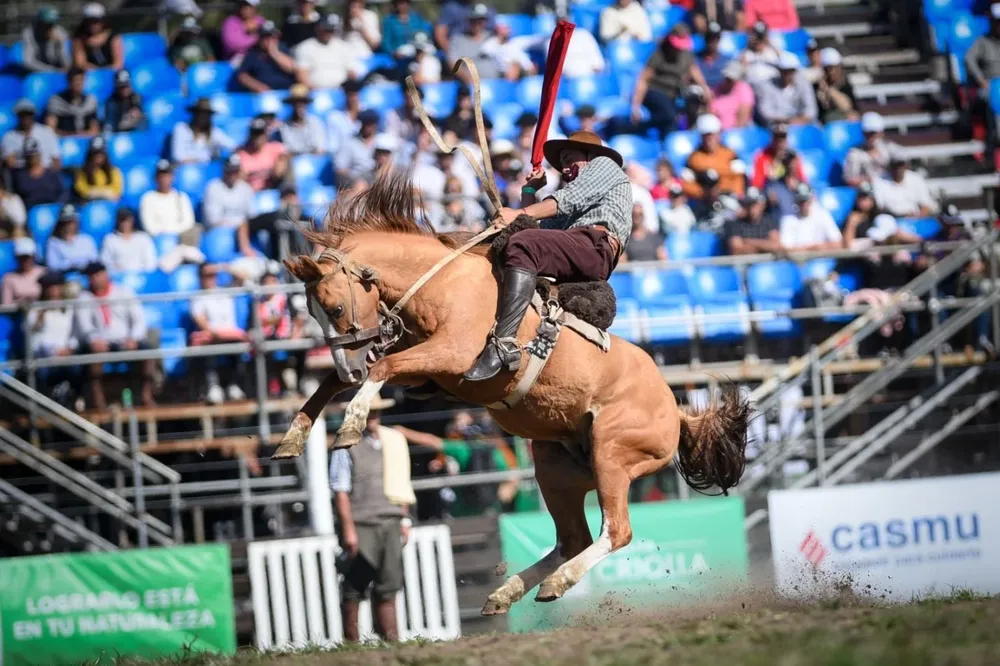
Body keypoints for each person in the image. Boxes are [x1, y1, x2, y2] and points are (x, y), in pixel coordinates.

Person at [464, 130, 631, 381]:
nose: (564, 170)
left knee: (523, 244)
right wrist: (529, 191)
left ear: (590, 156)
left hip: (596, 246)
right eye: (562, 164)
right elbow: (538, 230)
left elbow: (569, 200)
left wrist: (521, 212)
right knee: (507, 247)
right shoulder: (573, 200)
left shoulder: (603, 165)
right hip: (578, 245)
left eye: (569, 160)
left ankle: (505, 342)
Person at [328, 392, 414, 642]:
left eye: (376, 410)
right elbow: (341, 491)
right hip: (361, 521)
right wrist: (348, 529)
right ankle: (352, 642)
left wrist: (404, 519)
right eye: (368, 411)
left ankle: (391, 638)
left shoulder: (393, 441)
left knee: (390, 581)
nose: (373, 416)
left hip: (391, 518)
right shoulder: (346, 444)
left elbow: (402, 482)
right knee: (355, 583)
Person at [75, 261, 155, 409]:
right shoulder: (84, 297)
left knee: (148, 351)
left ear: (106, 274)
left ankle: (146, 396)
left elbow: (138, 319)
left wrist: (134, 339)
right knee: (92, 356)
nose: (95, 279)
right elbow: (84, 326)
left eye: (97, 274)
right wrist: (94, 340)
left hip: (125, 340)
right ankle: (99, 402)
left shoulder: (124, 292)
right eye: (91, 276)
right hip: (100, 343)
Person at [629, 24, 709, 139]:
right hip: (656, 90)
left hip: (675, 93)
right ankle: (663, 140)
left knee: (695, 101)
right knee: (670, 116)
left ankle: (691, 134)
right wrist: (636, 105)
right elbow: (643, 79)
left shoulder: (686, 54)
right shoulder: (659, 54)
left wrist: (704, 88)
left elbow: (694, 70)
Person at [188, 263, 250, 403]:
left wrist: (222, 267)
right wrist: (215, 333)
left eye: (213, 275)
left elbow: (244, 276)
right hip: (211, 335)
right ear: (200, 277)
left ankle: (234, 385)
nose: (211, 278)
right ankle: (212, 386)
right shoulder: (197, 297)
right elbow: (200, 320)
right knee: (210, 345)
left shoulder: (226, 290)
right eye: (207, 275)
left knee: (239, 344)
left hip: (230, 335)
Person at [680, 113, 746, 204]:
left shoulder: (730, 154)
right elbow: (687, 183)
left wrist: (730, 192)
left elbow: (739, 178)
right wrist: (703, 193)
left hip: (728, 198)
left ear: (719, 134)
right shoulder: (693, 158)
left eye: (712, 135)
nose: (710, 139)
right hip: (704, 200)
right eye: (706, 136)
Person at [204, 154, 257, 257]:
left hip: (245, 234)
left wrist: (242, 227)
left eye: (235, 171)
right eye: (230, 171)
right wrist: (239, 225)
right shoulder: (213, 188)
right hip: (220, 235)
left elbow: (253, 217)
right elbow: (213, 220)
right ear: (224, 171)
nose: (232, 174)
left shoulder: (246, 188)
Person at [294, 14, 357, 90]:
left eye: (331, 30)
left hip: (342, 91)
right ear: (317, 28)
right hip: (316, 92)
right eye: (326, 29)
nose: (328, 32)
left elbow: (352, 73)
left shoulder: (344, 47)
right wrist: (319, 91)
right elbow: (302, 76)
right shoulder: (304, 47)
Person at [756, 51, 818, 126]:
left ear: (795, 71)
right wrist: (787, 120)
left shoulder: (804, 83)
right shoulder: (767, 85)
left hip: (802, 124)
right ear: (779, 70)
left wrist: (799, 120)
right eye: (784, 71)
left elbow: (811, 110)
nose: (787, 74)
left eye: (790, 71)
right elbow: (765, 111)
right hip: (777, 125)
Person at [237, 21, 301, 92]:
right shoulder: (253, 53)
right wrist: (258, 87)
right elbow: (242, 76)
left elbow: (293, 69)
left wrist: (274, 53)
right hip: (264, 96)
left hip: (288, 93)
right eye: (265, 37)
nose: (269, 40)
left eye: (272, 37)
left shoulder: (285, 49)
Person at [139, 160, 198, 236]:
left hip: (180, 239)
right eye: (162, 176)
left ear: (172, 177)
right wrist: (166, 234)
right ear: (156, 178)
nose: (165, 179)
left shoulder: (181, 197)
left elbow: (189, 223)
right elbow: (149, 226)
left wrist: (172, 232)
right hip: (157, 239)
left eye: (167, 176)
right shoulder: (148, 198)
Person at [779, 182, 843, 251]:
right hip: (797, 261)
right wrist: (811, 249)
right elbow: (785, 248)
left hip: (821, 260)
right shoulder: (788, 219)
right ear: (796, 201)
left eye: (806, 200)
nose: (804, 204)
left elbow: (838, 243)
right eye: (801, 201)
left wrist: (816, 248)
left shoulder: (823, 215)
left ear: (812, 199)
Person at [842, 112, 899, 187]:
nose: (871, 137)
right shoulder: (854, 153)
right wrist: (872, 180)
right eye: (867, 133)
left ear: (881, 133)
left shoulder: (889, 148)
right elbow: (849, 179)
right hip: (868, 191)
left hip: (890, 188)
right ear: (863, 133)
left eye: (874, 133)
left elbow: (901, 165)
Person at [171, 98, 237, 164]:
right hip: (183, 170)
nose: (203, 117)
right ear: (194, 114)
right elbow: (177, 157)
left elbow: (233, 146)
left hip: (208, 171)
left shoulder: (214, 132)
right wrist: (202, 159)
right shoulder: (181, 129)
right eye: (200, 113)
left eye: (207, 114)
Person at [447, 4, 501, 82]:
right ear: (468, 20)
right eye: (474, 19)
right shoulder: (457, 40)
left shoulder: (493, 37)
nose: (477, 23)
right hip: (473, 87)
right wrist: (467, 79)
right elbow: (453, 64)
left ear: (486, 21)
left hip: (498, 85)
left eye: (481, 20)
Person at [3, 100, 61, 170]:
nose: (26, 117)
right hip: (21, 173)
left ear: (34, 115)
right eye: (22, 114)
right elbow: (9, 162)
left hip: (46, 172)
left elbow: (56, 160)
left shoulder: (47, 132)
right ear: (18, 115)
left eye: (29, 114)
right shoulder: (9, 136)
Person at [724, 186, 782, 254]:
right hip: (744, 263)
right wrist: (765, 246)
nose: (751, 207)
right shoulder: (735, 223)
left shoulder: (768, 221)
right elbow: (737, 249)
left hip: (767, 263)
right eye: (748, 203)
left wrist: (748, 241)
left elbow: (776, 246)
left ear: (762, 205)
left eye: (755, 203)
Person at [873, 158, 940, 218]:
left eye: (900, 166)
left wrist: (919, 215)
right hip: (892, 219)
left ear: (906, 166)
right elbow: (880, 207)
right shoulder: (879, 181)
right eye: (895, 167)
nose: (898, 170)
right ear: (890, 167)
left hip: (915, 218)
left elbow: (926, 203)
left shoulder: (916, 178)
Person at [236, 117, 289, 191]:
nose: (258, 137)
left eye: (260, 133)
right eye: (255, 134)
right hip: (250, 193)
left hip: (272, 190)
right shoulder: (241, 153)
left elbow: (279, 172)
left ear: (266, 134)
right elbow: (240, 178)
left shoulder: (276, 148)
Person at [45, 66, 100, 137]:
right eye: (75, 80)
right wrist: (71, 136)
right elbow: (50, 130)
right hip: (62, 141)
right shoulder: (56, 101)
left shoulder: (90, 101)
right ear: (69, 81)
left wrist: (81, 136)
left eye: (81, 80)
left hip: (85, 141)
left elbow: (94, 130)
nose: (78, 84)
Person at [12, 139, 65, 210]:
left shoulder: (52, 174)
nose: (33, 157)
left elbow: (62, 193)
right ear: (25, 156)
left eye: (35, 153)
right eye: (30, 155)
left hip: (52, 211)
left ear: (40, 154)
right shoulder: (20, 176)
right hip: (30, 212)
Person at [99, 207, 157, 272]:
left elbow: (150, 263)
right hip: (118, 277)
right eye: (122, 220)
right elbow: (105, 262)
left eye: (128, 220)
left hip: (141, 277)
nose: (125, 223)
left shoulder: (144, 238)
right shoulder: (110, 239)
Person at [481, 17, 537, 82]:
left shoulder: (515, 44)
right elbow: (485, 55)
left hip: (521, 75)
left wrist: (528, 68)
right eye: (504, 29)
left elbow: (528, 66)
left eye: (507, 28)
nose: (507, 31)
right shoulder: (490, 44)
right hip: (501, 76)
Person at [46, 204, 99, 272]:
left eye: (72, 221)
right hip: (64, 277)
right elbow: (53, 266)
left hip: (86, 275)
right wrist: (72, 264)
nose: (70, 225)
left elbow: (94, 260)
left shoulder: (87, 239)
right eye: (66, 222)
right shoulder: (53, 242)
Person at [750, 122, 804, 189]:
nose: (780, 143)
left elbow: (802, 180)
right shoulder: (762, 156)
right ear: (772, 139)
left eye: (782, 139)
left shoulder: (793, 157)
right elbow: (757, 184)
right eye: (777, 139)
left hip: (790, 193)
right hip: (769, 192)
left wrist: (793, 177)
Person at [72, 3, 124, 70]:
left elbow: (118, 63)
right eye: (89, 21)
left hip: (111, 74)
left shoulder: (114, 38)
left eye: (96, 21)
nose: (93, 24)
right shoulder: (79, 39)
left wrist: (104, 72)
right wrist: (96, 71)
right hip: (90, 76)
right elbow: (80, 63)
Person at [21, 7, 72, 73]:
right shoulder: (29, 33)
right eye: (46, 24)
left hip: (58, 71)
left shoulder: (61, 33)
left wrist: (59, 46)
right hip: (38, 73)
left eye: (52, 24)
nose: (49, 27)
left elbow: (67, 64)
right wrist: (52, 70)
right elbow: (28, 62)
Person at [337, 109, 381, 185]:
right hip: (356, 180)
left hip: (377, 179)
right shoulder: (350, 143)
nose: (368, 127)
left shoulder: (382, 142)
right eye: (365, 123)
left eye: (371, 123)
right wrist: (355, 180)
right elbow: (340, 169)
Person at [73, 136, 123, 202]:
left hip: (109, 203)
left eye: (101, 153)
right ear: (90, 154)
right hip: (90, 203)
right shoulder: (83, 171)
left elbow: (117, 191)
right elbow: (81, 188)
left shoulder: (114, 170)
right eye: (95, 153)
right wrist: (96, 193)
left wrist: (104, 193)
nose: (98, 156)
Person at [279, 85, 326, 155]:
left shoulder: (315, 122)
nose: (299, 105)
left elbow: (320, 147)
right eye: (296, 102)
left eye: (303, 102)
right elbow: (289, 148)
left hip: (314, 160)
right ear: (292, 104)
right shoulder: (284, 125)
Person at [965, 4, 1000, 92]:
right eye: (997, 22)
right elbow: (969, 59)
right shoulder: (982, 41)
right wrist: (981, 79)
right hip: (992, 87)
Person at [711, 60, 754, 129]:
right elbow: (711, 113)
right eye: (727, 78)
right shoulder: (716, 90)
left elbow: (744, 113)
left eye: (731, 79)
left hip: (737, 132)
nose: (728, 81)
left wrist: (733, 133)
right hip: (718, 131)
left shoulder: (743, 88)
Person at [2, 238, 45, 306]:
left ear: (34, 256)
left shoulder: (44, 273)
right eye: (21, 257)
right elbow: (6, 306)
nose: (25, 260)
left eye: (28, 257)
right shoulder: (9, 278)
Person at [740, 20, 779, 85]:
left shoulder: (772, 51)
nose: (759, 40)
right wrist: (748, 45)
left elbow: (784, 62)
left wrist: (769, 42)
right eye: (756, 36)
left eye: (760, 36)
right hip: (753, 85)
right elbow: (741, 68)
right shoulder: (747, 53)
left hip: (771, 85)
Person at [697, 22, 732, 90]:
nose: (713, 41)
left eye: (716, 38)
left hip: (721, 96)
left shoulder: (727, 60)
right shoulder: (696, 59)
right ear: (705, 38)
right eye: (709, 38)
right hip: (701, 95)